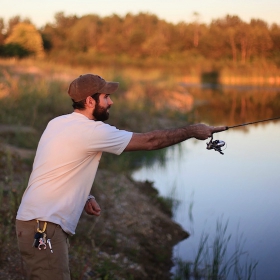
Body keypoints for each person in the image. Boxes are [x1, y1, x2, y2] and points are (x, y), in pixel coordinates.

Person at [16, 74, 226, 280]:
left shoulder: (58, 123)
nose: (111, 101)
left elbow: (54, 166)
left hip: (34, 223)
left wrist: (85, 196)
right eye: (106, 97)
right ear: (90, 101)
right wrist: (192, 130)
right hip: (44, 227)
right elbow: (150, 141)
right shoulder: (92, 131)